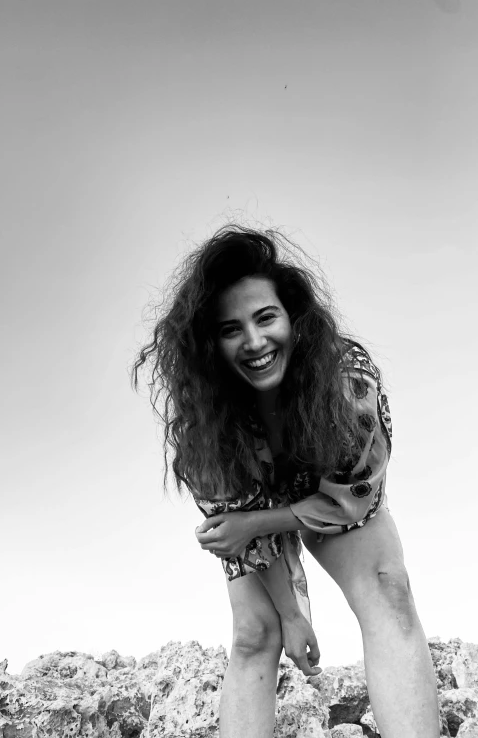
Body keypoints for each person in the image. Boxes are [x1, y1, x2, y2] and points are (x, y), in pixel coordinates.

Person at [131, 224, 440, 738]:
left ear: (292, 319)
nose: (254, 342)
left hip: (333, 492)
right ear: (212, 345)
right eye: (231, 329)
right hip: (254, 507)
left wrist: (258, 519)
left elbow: (354, 499)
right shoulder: (206, 422)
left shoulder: (348, 381)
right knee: (256, 632)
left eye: (265, 317)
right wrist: (292, 616)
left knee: (390, 589)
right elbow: (239, 531)